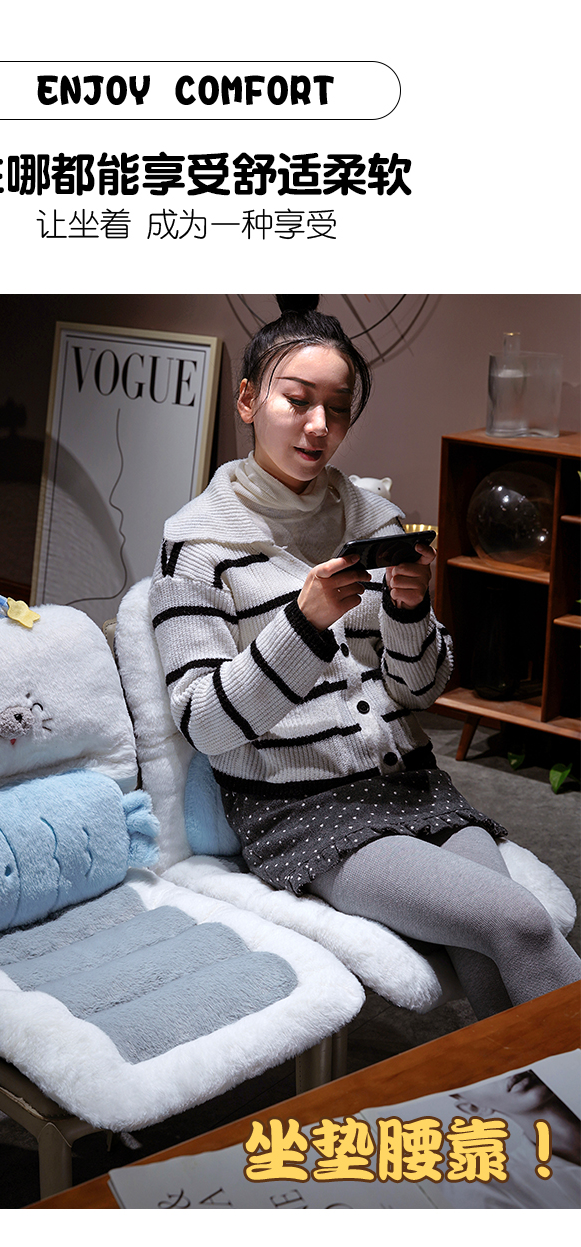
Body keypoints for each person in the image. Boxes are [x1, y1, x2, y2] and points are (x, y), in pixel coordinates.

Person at [149, 295, 581, 1020]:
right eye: (297, 400)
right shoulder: (196, 544)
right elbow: (205, 724)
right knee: (520, 920)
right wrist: (304, 623)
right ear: (249, 400)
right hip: (303, 807)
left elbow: (420, 691)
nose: (319, 426)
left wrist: (409, 612)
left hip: (410, 782)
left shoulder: (375, 519)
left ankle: (517, 1090)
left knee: (490, 944)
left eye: (338, 409)